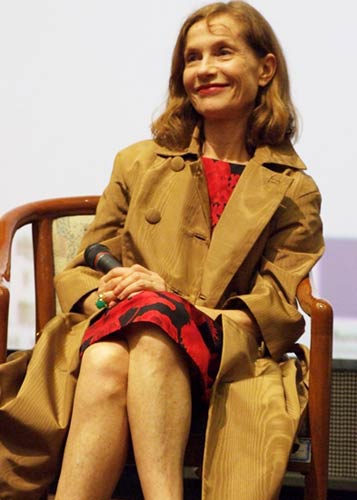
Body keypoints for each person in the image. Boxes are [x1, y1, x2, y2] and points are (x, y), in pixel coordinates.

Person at [0, 1, 324, 499]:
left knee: (152, 326)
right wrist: (122, 295)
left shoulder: (295, 188)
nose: (205, 69)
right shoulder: (137, 163)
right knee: (118, 349)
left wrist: (173, 303)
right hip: (115, 330)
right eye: (192, 58)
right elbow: (86, 263)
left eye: (222, 52)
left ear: (265, 69)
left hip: (228, 354)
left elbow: (277, 306)